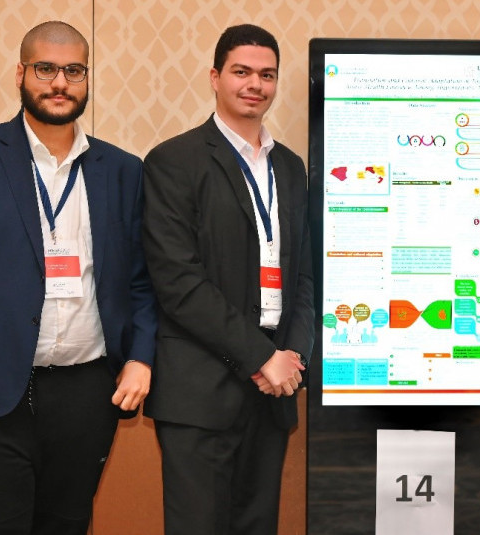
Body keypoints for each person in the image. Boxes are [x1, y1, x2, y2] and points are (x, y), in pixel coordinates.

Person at [0, 20, 156, 535]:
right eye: (45, 69)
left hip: (86, 396)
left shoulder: (122, 170)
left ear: (87, 78)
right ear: (20, 74)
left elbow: (141, 280)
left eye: (74, 71)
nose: (60, 83)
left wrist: (140, 357)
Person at [141, 24, 314, 535]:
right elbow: (179, 283)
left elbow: (304, 275)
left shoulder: (290, 168)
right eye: (242, 72)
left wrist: (292, 356)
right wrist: (260, 356)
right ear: (215, 78)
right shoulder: (174, 161)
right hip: (201, 393)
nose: (255, 84)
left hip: (273, 390)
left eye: (267, 75)